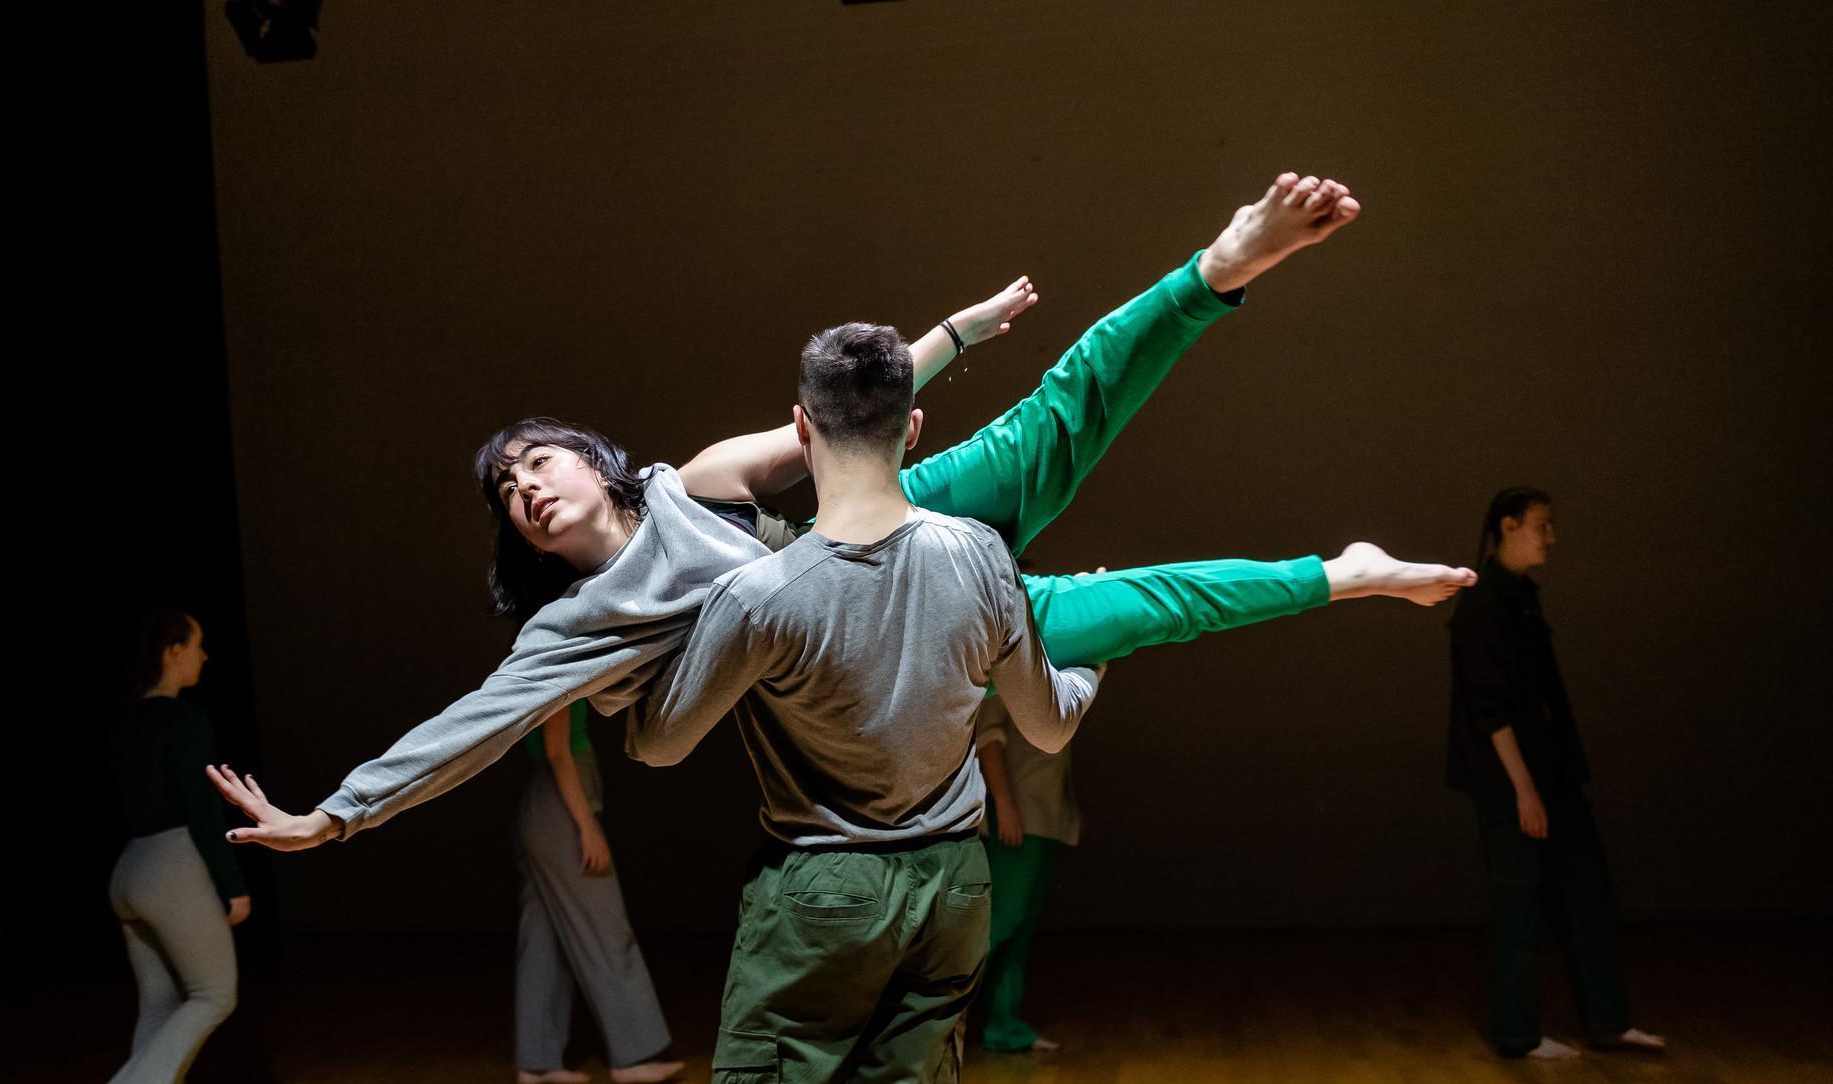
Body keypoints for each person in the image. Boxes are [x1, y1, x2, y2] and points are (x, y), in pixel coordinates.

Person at [210, 174, 1474, 855]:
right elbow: (472, 725)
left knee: (1058, 417)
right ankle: (1340, 574)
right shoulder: (579, 627)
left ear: (593, 465)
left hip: (884, 507)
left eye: (539, 461)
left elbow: (845, 411)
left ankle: (1218, 269)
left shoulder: (692, 480)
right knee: (1134, 608)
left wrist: (960, 333)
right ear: (525, 535)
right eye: (509, 491)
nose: (527, 486)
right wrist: (338, 811)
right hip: (861, 616)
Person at [624, 319, 1102, 1084]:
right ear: (913, 426)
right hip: (952, 892)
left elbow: (659, 745)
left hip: (822, 895)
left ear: (801, 429)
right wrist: (1096, 659)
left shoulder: (761, 589)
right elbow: (1046, 724)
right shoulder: (977, 555)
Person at [1447, 487, 1663, 1059]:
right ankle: (1519, 1033)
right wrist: (1523, 790)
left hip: (1554, 776)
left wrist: (1548, 783)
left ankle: (1609, 1021)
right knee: (1518, 907)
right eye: (1541, 525)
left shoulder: (1520, 598)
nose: (1550, 537)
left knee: (1588, 896)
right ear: (1509, 525)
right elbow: (1488, 709)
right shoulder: (1483, 604)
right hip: (1514, 785)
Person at [93, 610, 250, 1084]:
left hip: (129, 869)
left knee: (160, 1005)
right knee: (214, 994)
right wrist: (231, 883)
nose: (204, 656)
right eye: (198, 645)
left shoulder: (121, 721)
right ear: (172, 650)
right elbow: (203, 810)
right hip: (173, 863)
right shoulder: (186, 722)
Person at [513, 701, 682, 1084]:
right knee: (607, 928)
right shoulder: (559, 675)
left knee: (542, 939)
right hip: (560, 804)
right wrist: (588, 827)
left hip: (538, 806)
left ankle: (536, 1061)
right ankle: (636, 1055)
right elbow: (558, 752)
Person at [972, 674, 1079, 1054]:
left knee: (1018, 927)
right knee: (1000, 921)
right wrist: (1005, 804)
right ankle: (920, 1026)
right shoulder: (1005, 665)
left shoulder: (1048, 662)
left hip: (1043, 816)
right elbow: (988, 736)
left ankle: (1003, 1025)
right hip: (1017, 818)